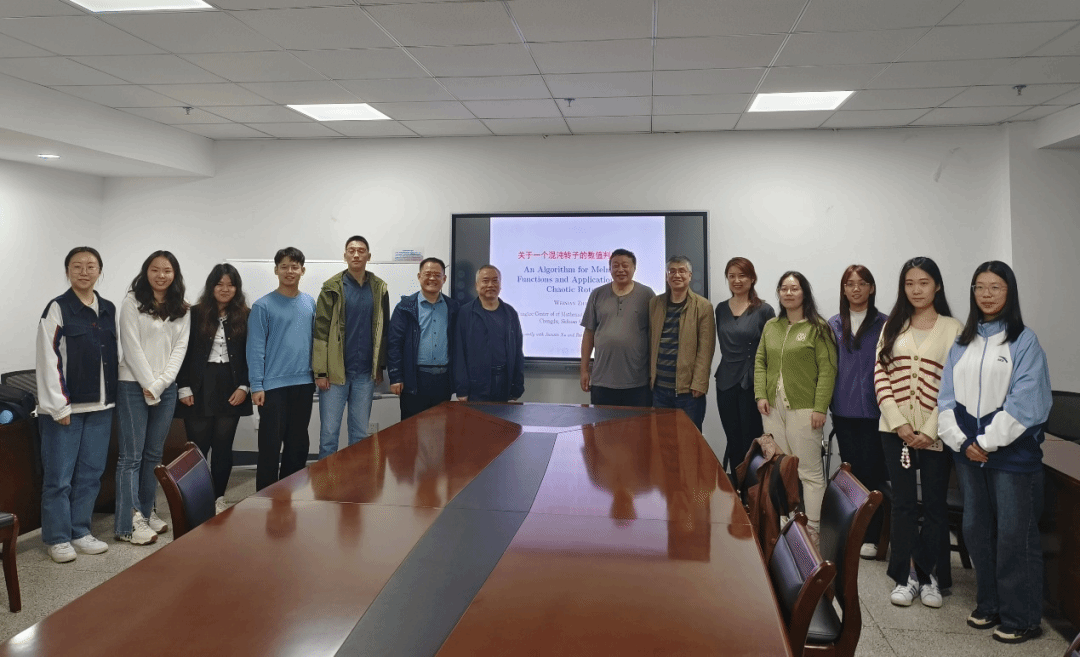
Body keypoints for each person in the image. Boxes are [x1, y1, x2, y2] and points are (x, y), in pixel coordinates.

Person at [938, 261, 1051, 644]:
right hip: (968, 453)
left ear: (1009, 292)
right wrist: (961, 441)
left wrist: (985, 443)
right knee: (977, 529)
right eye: (980, 287)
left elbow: (1027, 402)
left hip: (1010, 455)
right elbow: (946, 399)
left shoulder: (1024, 341)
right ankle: (989, 604)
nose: (986, 294)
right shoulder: (962, 341)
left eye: (995, 287)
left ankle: (1022, 618)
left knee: (1014, 535)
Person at [874, 256, 962, 608]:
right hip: (894, 431)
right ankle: (906, 575)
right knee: (905, 504)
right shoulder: (893, 324)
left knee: (936, 506)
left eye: (923, 282)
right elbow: (880, 375)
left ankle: (931, 576)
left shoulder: (953, 328)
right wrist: (900, 424)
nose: (916, 289)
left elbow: (955, 385)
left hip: (936, 432)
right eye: (909, 283)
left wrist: (929, 429)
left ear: (937, 285)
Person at [35, 247, 119, 563]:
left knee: (91, 475)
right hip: (66, 410)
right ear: (68, 270)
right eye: (77, 266)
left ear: (100, 271)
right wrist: (59, 405)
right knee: (59, 478)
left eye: (90, 266)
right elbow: (47, 357)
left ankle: (80, 531)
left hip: (101, 408)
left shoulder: (108, 308)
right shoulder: (58, 307)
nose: (84, 272)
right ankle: (57, 538)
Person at [116, 250, 190, 545]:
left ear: (175, 274)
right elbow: (131, 347)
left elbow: (179, 351)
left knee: (153, 456)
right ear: (146, 272)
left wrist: (159, 385)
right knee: (130, 457)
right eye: (155, 269)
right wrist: (149, 384)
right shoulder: (132, 302)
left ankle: (146, 512)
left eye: (167, 270)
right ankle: (129, 523)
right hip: (132, 385)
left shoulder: (182, 308)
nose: (161, 275)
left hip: (165, 388)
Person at [754, 271, 837, 531]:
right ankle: (784, 526)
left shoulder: (818, 328)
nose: (788, 293)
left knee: (809, 474)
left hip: (805, 410)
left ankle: (812, 531)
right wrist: (760, 394)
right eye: (784, 288)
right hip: (772, 409)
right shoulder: (771, 326)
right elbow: (760, 362)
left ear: (804, 293)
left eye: (794, 288)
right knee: (780, 469)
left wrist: (820, 408)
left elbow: (828, 370)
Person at [177, 264, 253, 514]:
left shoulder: (246, 314)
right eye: (219, 284)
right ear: (211, 287)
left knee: (223, 446)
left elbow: (252, 354)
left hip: (232, 385)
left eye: (230, 285)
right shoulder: (194, 314)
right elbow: (181, 351)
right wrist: (183, 387)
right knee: (197, 449)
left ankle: (218, 498)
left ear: (237, 288)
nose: (225, 289)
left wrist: (245, 386)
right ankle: (196, 500)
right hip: (198, 385)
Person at [827, 265, 888, 559]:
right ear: (843, 289)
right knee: (850, 473)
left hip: (877, 411)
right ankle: (853, 531)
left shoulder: (885, 323)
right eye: (850, 284)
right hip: (844, 410)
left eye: (862, 283)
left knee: (874, 473)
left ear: (871, 288)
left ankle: (873, 535)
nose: (856, 288)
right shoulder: (834, 324)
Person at [313, 236, 390, 458]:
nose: (356, 254)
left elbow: (384, 330)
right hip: (335, 374)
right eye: (351, 250)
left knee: (359, 435)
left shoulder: (379, 288)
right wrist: (320, 371)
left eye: (361, 250)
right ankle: (327, 479)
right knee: (329, 435)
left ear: (369, 256)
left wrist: (379, 367)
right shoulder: (331, 288)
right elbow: (320, 331)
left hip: (365, 374)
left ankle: (357, 478)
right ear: (345, 255)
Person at [248, 247, 317, 491]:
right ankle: (265, 498)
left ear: (302, 270)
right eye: (284, 266)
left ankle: (291, 495)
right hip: (273, 387)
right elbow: (255, 349)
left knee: (298, 444)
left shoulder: (310, 302)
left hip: (304, 384)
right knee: (270, 445)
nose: (290, 271)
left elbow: (316, 343)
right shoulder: (262, 306)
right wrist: (256, 385)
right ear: (276, 270)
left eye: (295, 266)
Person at [715, 257, 775, 475]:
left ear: (752, 278)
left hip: (752, 384)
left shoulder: (764, 310)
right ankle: (738, 490)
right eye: (731, 276)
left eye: (742, 275)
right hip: (725, 382)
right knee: (733, 439)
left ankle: (754, 489)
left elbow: (771, 351)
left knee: (752, 440)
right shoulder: (720, 309)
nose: (737, 280)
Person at [580, 249, 655, 407]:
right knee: (602, 423)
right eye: (615, 266)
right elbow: (588, 334)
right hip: (602, 381)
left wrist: (653, 373)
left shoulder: (647, 295)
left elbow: (654, 336)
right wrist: (584, 370)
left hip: (637, 382)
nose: (620, 269)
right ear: (610, 269)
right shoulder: (597, 294)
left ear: (634, 268)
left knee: (638, 423)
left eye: (625, 265)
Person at [387, 257, 460, 421]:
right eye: (427, 274)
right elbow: (394, 344)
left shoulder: (454, 308)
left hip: (443, 380)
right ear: (419, 276)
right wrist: (396, 377)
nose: (432, 278)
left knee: (441, 429)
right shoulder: (405, 308)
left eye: (437, 275)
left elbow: (459, 346)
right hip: (414, 379)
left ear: (444, 279)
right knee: (411, 429)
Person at [649, 256, 715, 431]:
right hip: (659, 389)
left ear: (690, 275)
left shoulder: (703, 306)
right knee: (662, 438)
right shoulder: (655, 303)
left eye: (682, 271)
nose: (676, 275)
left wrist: (700, 383)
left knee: (689, 440)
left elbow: (706, 348)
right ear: (666, 276)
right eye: (672, 271)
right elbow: (651, 341)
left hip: (688, 392)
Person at [454, 265, 524, 402]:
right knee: (477, 417)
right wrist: (462, 389)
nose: (490, 285)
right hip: (476, 385)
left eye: (495, 281)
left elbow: (517, 352)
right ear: (476, 285)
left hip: (504, 382)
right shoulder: (465, 313)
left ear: (500, 285)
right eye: (485, 281)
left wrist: (517, 386)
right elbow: (459, 353)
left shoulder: (510, 313)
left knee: (503, 416)